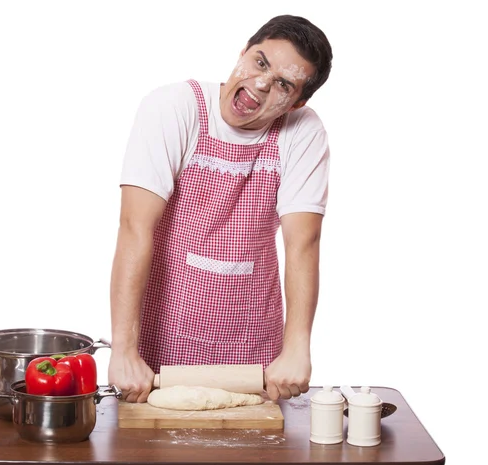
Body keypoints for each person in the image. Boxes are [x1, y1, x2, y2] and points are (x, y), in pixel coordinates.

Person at [108, 14, 333, 403]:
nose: (261, 84)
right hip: (163, 333)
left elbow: (303, 243)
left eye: (283, 83)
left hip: (252, 346)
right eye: (260, 62)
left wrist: (296, 348)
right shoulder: (175, 107)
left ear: (297, 102)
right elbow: (134, 227)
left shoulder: (303, 132)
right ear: (243, 51)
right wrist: (123, 349)